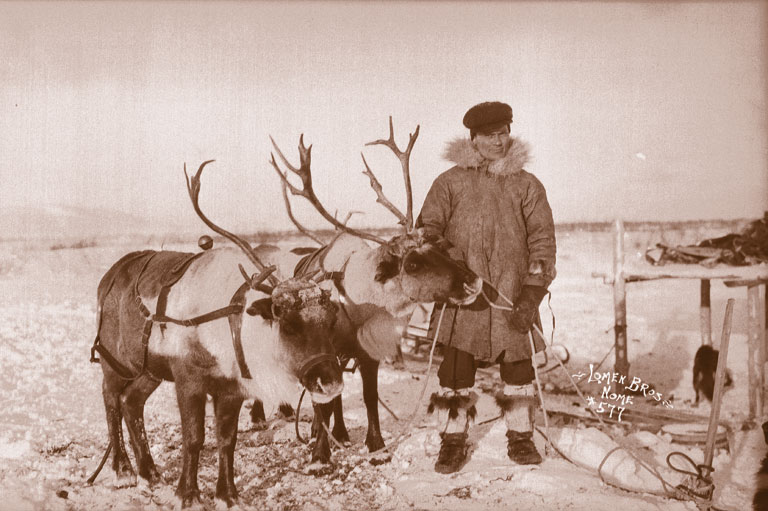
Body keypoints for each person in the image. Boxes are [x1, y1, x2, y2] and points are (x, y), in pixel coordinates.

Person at [416, 101, 557, 473]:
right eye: (490, 135)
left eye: (504, 133)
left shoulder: (527, 185)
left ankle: (521, 437)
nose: (499, 141)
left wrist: (532, 293)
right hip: (462, 298)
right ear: (473, 139)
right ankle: (452, 442)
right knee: (455, 373)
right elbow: (426, 231)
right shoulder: (449, 183)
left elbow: (543, 242)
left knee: (519, 370)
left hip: (513, 296)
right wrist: (451, 264)